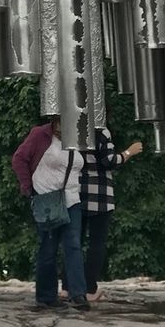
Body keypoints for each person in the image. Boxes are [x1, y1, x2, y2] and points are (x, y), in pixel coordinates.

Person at [11, 117, 90, 311]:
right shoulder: (40, 135)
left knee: (74, 245)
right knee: (49, 247)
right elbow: (19, 159)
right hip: (48, 199)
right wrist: (28, 187)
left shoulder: (79, 139)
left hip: (72, 199)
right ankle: (46, 296)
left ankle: (78, 293)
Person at [78, 127, 144, 300]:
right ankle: (89, 288)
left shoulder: (74, 127)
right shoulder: (101, 132)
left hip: (76, 192)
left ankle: (68, 286)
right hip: (100, 195)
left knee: (74, 242)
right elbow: (109, 161)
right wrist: (129, 152)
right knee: (96, 243)